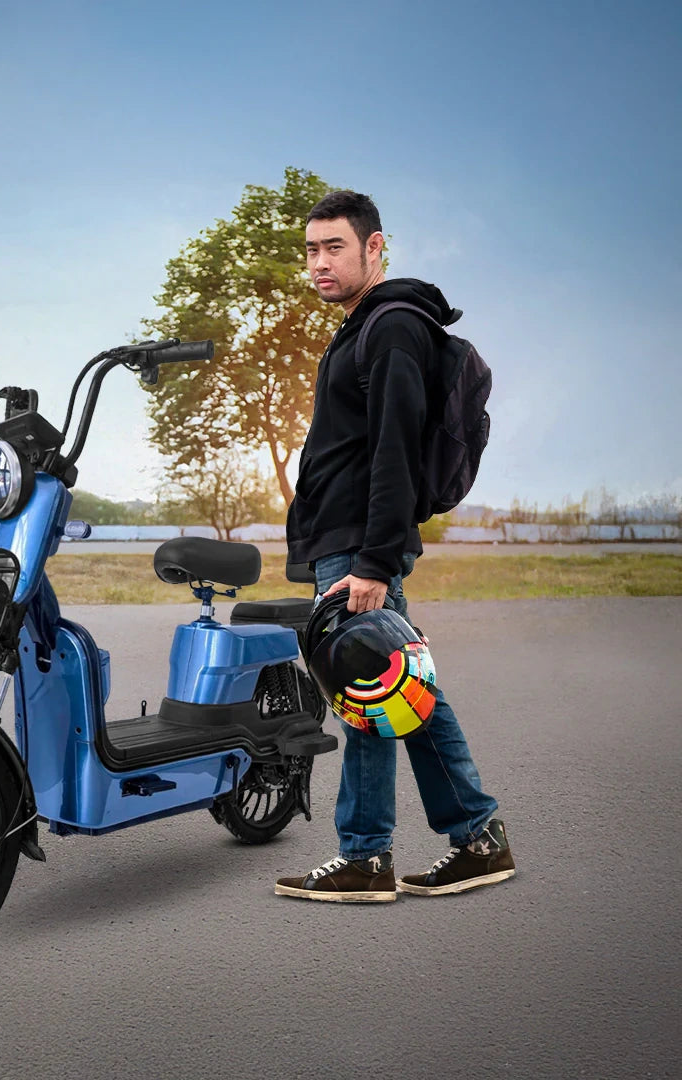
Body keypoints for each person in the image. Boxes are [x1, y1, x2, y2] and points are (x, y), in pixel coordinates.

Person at [274, 190, 515, 902]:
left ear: (376, 249)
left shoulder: (392, 327)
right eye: (312, 250)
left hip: (360, 547)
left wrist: (377, 562)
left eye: (335, 248)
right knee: (396, 691)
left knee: (371, 690)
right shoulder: (361, 329)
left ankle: (367, 857)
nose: (319, 262)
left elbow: (395, 452)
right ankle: (474, 837)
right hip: (347, 541)